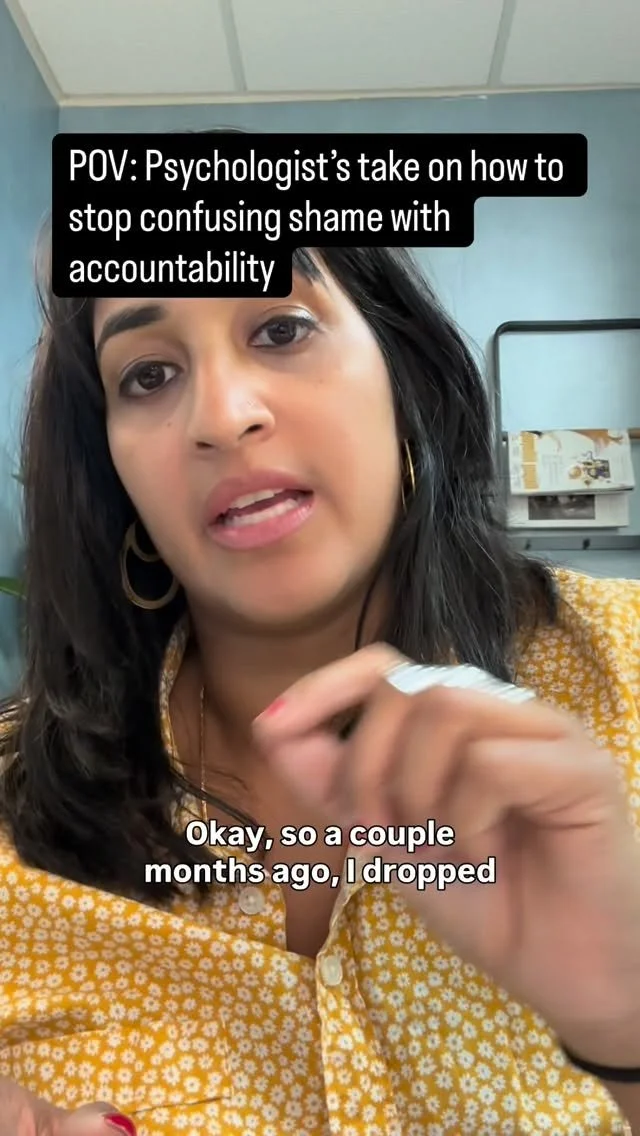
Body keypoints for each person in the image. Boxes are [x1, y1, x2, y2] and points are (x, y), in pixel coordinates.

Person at [0, 243, 639, 1136]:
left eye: (282, 329)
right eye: (148, 375)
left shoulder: (622, 668)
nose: (222, 416)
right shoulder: (14, 811)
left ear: (402, 374)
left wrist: (623, 1020)